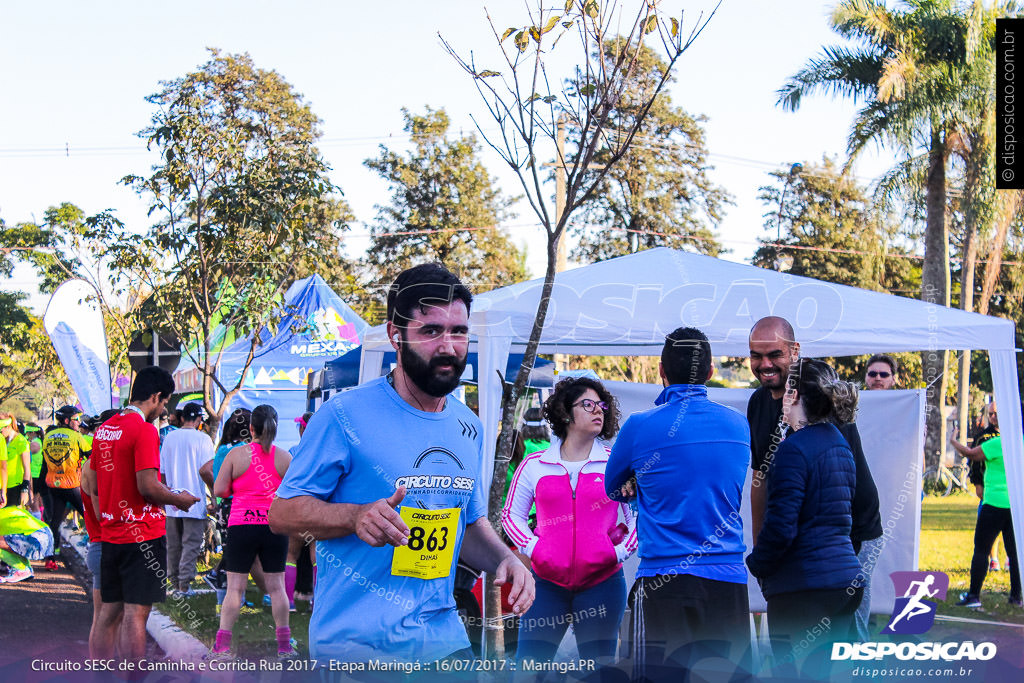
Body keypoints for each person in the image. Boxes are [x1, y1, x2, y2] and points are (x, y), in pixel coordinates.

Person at [269, 263, 534, 662]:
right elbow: (281, 514)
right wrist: (354, 516)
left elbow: (469, 524)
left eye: (458, 332)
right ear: (396, 334)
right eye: (430, 331)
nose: (448, 346)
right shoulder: (344, 415)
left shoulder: (469, 426)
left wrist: (506, 559)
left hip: (444, 641)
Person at [605, 327, 751, 681]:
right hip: (727, 582)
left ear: (661, 370)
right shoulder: (739, 424)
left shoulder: (640, 427)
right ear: (711, 371)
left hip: (663, 581)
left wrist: (638, 481)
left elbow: (612, 487)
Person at [746, 317, 882, 635]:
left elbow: (838, 489)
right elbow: (760, 479)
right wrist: (762, 551)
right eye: (756, 355)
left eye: (774, 355)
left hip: (852, 532)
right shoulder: (758, 403)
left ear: (795, 351)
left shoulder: (820, 394)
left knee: (845, 636)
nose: (764, 364)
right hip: (800, 536)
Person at [502, 376, 635, 667]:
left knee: (598, 671)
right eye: (588, 404)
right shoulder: (535, 464)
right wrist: (534, 548)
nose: (598, 410)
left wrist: (618, 552)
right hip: (546, 585)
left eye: (601, 405)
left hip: (603, 584)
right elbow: (511, 516)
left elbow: (637, 516)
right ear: (565, 412)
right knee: (529, 669)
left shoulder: (614, 463)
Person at [746, 358, 864, 668]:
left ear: (793, 395)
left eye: (785, 392)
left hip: (804, 587)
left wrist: (757, 563)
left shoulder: (793, 449)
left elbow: (782, 526)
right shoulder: (839, 443)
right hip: (842, 583)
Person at [90, 366, 200, 662]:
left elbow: (89, 481)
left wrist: (105, 512)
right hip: (142, 535)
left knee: (108, 612)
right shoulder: (144, 430)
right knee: (136, 615)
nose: (163, 410)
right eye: (164, 403)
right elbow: (148, 486)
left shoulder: (105, 429)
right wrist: (179, 499)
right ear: (154, 396)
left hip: (111, 534)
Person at [210, 404, 297, 659]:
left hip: (241, 525)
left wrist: (240, 490)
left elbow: (219, 490)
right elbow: (291, 494)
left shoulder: (237, 455)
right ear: (275, 427)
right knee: (277, 587)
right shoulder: (285, 458)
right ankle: (284, 646)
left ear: (251, 428)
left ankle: (222, 647)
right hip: (273, 526)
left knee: (236, 588)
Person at [950, 407, 1022, 608]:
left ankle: (973, 596)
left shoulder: (998, 443)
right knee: (1015, 553)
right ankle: (1016, 597)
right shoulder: (1021, 442)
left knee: (981, 549)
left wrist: (953, 441)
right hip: (1016, 506)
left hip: (994, 504)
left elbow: (970, 454)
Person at [160, 402, 215, 597]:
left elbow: (163, 473)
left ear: (182, 418)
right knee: (190, 544)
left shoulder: (169, 438)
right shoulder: (204, 439)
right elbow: (208, 470)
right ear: (200, 420)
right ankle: (184, 585)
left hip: (172, 500)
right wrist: (214, 496)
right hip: (195, 500)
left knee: (173, 544)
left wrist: (165, 496)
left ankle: (175, 584)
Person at [40, 405, 90, 570]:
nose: (78, 423)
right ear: (67, 421)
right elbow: (91, 457)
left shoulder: (48, 436)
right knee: (89, 517)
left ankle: (50, 558)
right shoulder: (76, 436)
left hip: (54, 485)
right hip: (72, 485)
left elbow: (44, 462)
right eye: (76, 419)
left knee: (54, 521)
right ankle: (101, 553)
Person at [966, 403, 1003, 571]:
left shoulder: (1015, 434)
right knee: (989, 529)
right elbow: (973, 461)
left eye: (997, 413)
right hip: (989, 491)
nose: (994, 417)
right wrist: (977, 484)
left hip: (1011, 492)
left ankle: (1012, 559)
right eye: (991, 414)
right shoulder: (983, 437)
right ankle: (993, 558)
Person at [286, 411, 317, 612]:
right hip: (318, 509)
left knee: (290, 554)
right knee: (317, 557)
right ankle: (315, 600)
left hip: (295, 508)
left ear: (303, 428)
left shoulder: (292, 452)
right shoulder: (325, 451)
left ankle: (288, 602)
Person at [1, 415, 32, 508]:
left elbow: (27, 468)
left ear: (8, 426)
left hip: (15, 487)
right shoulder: (2, 440)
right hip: (2, 486)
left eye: (0, 430)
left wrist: (25, 490)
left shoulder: (21, 441)